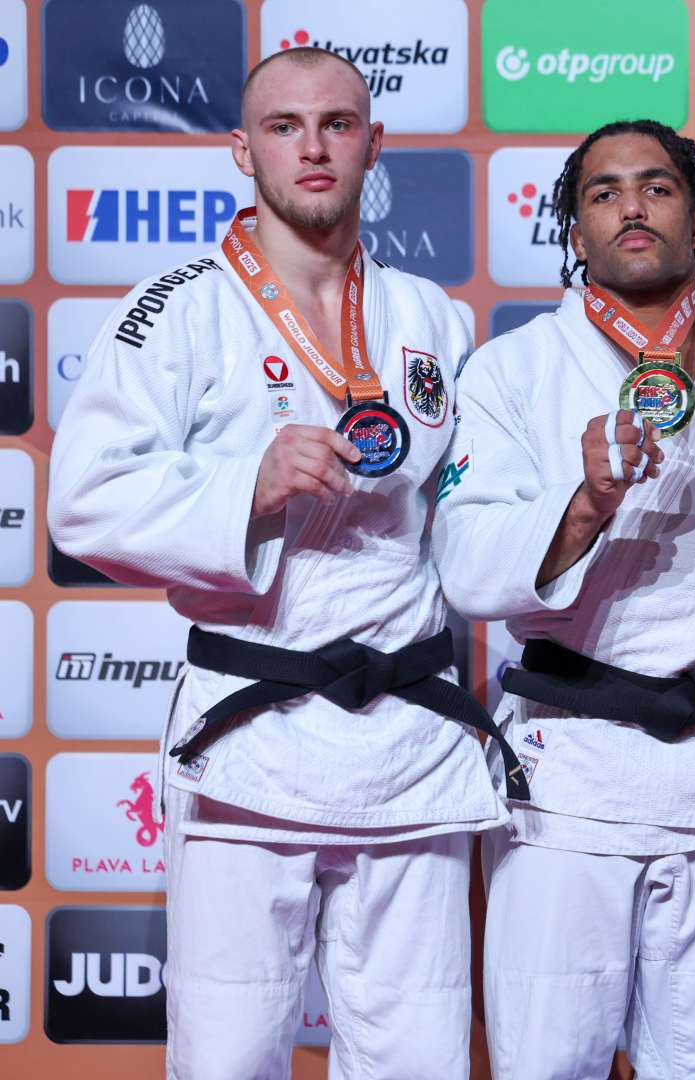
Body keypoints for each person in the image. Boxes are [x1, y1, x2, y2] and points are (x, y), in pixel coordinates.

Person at [47, 48, 502, 1079]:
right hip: (255, 736)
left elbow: (467, 512)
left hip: (411, 745)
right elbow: (80, 499)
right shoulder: (178, 308)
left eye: (338, 124)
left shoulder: (433, 317)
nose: (312, 146)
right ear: (240, 150)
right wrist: (241, 488)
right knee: (226, 1059)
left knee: (417, 1058)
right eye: (286, 127)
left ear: (372, 145)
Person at [431, 119, 695, 1080]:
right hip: (570, 772)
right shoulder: (511, 371)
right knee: (545, 1063)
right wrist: (586, 505)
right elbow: (469, 565)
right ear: (573, 228)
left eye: (655, 187)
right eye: (602, 193)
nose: (631, 207)